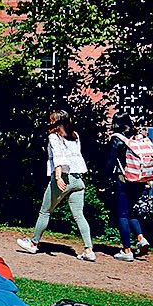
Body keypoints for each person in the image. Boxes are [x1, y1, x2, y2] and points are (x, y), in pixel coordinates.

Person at [16, 109, 97, 261]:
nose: (50, 122)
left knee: (45, 212)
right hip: (77, 179)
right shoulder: (75, 135)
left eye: (52, 120)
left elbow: (59, 158)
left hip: (63, 177)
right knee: (79, 215)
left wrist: (58, 177)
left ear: (57, 122)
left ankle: (33, 243)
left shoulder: (54, 137)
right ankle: (89, 250)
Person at [105, 115, 153, 262]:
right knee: (131, 211)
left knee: (122, 214)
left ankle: (126, 250)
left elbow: (110, 162)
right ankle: (141, 238)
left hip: (123, 180)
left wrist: (103, 182)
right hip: (139, 179)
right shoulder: (138, 137)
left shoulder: (117, 139)